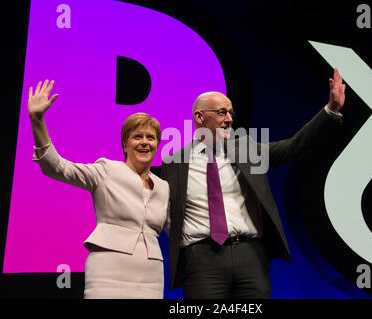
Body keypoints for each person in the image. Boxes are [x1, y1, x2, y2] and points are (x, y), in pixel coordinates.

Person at [161, 67, 346, 298]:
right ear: (199, 117)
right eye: (221, 113)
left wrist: (331, 110)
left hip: (250, 257)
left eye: (230, 112)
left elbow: (293, 146)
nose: (229, 119)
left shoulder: (247, 150)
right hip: (201, 259)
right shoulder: (173, 163)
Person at [28, 79, 169, 299]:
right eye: (137, 137)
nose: (144, 142)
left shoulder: (163, 186)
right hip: (108, 268)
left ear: (157, 144)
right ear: (125, 144)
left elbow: (178, 229)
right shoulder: (107, 170)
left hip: (151, 273)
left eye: (150, 137)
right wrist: (37, 121)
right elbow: (57, 167)